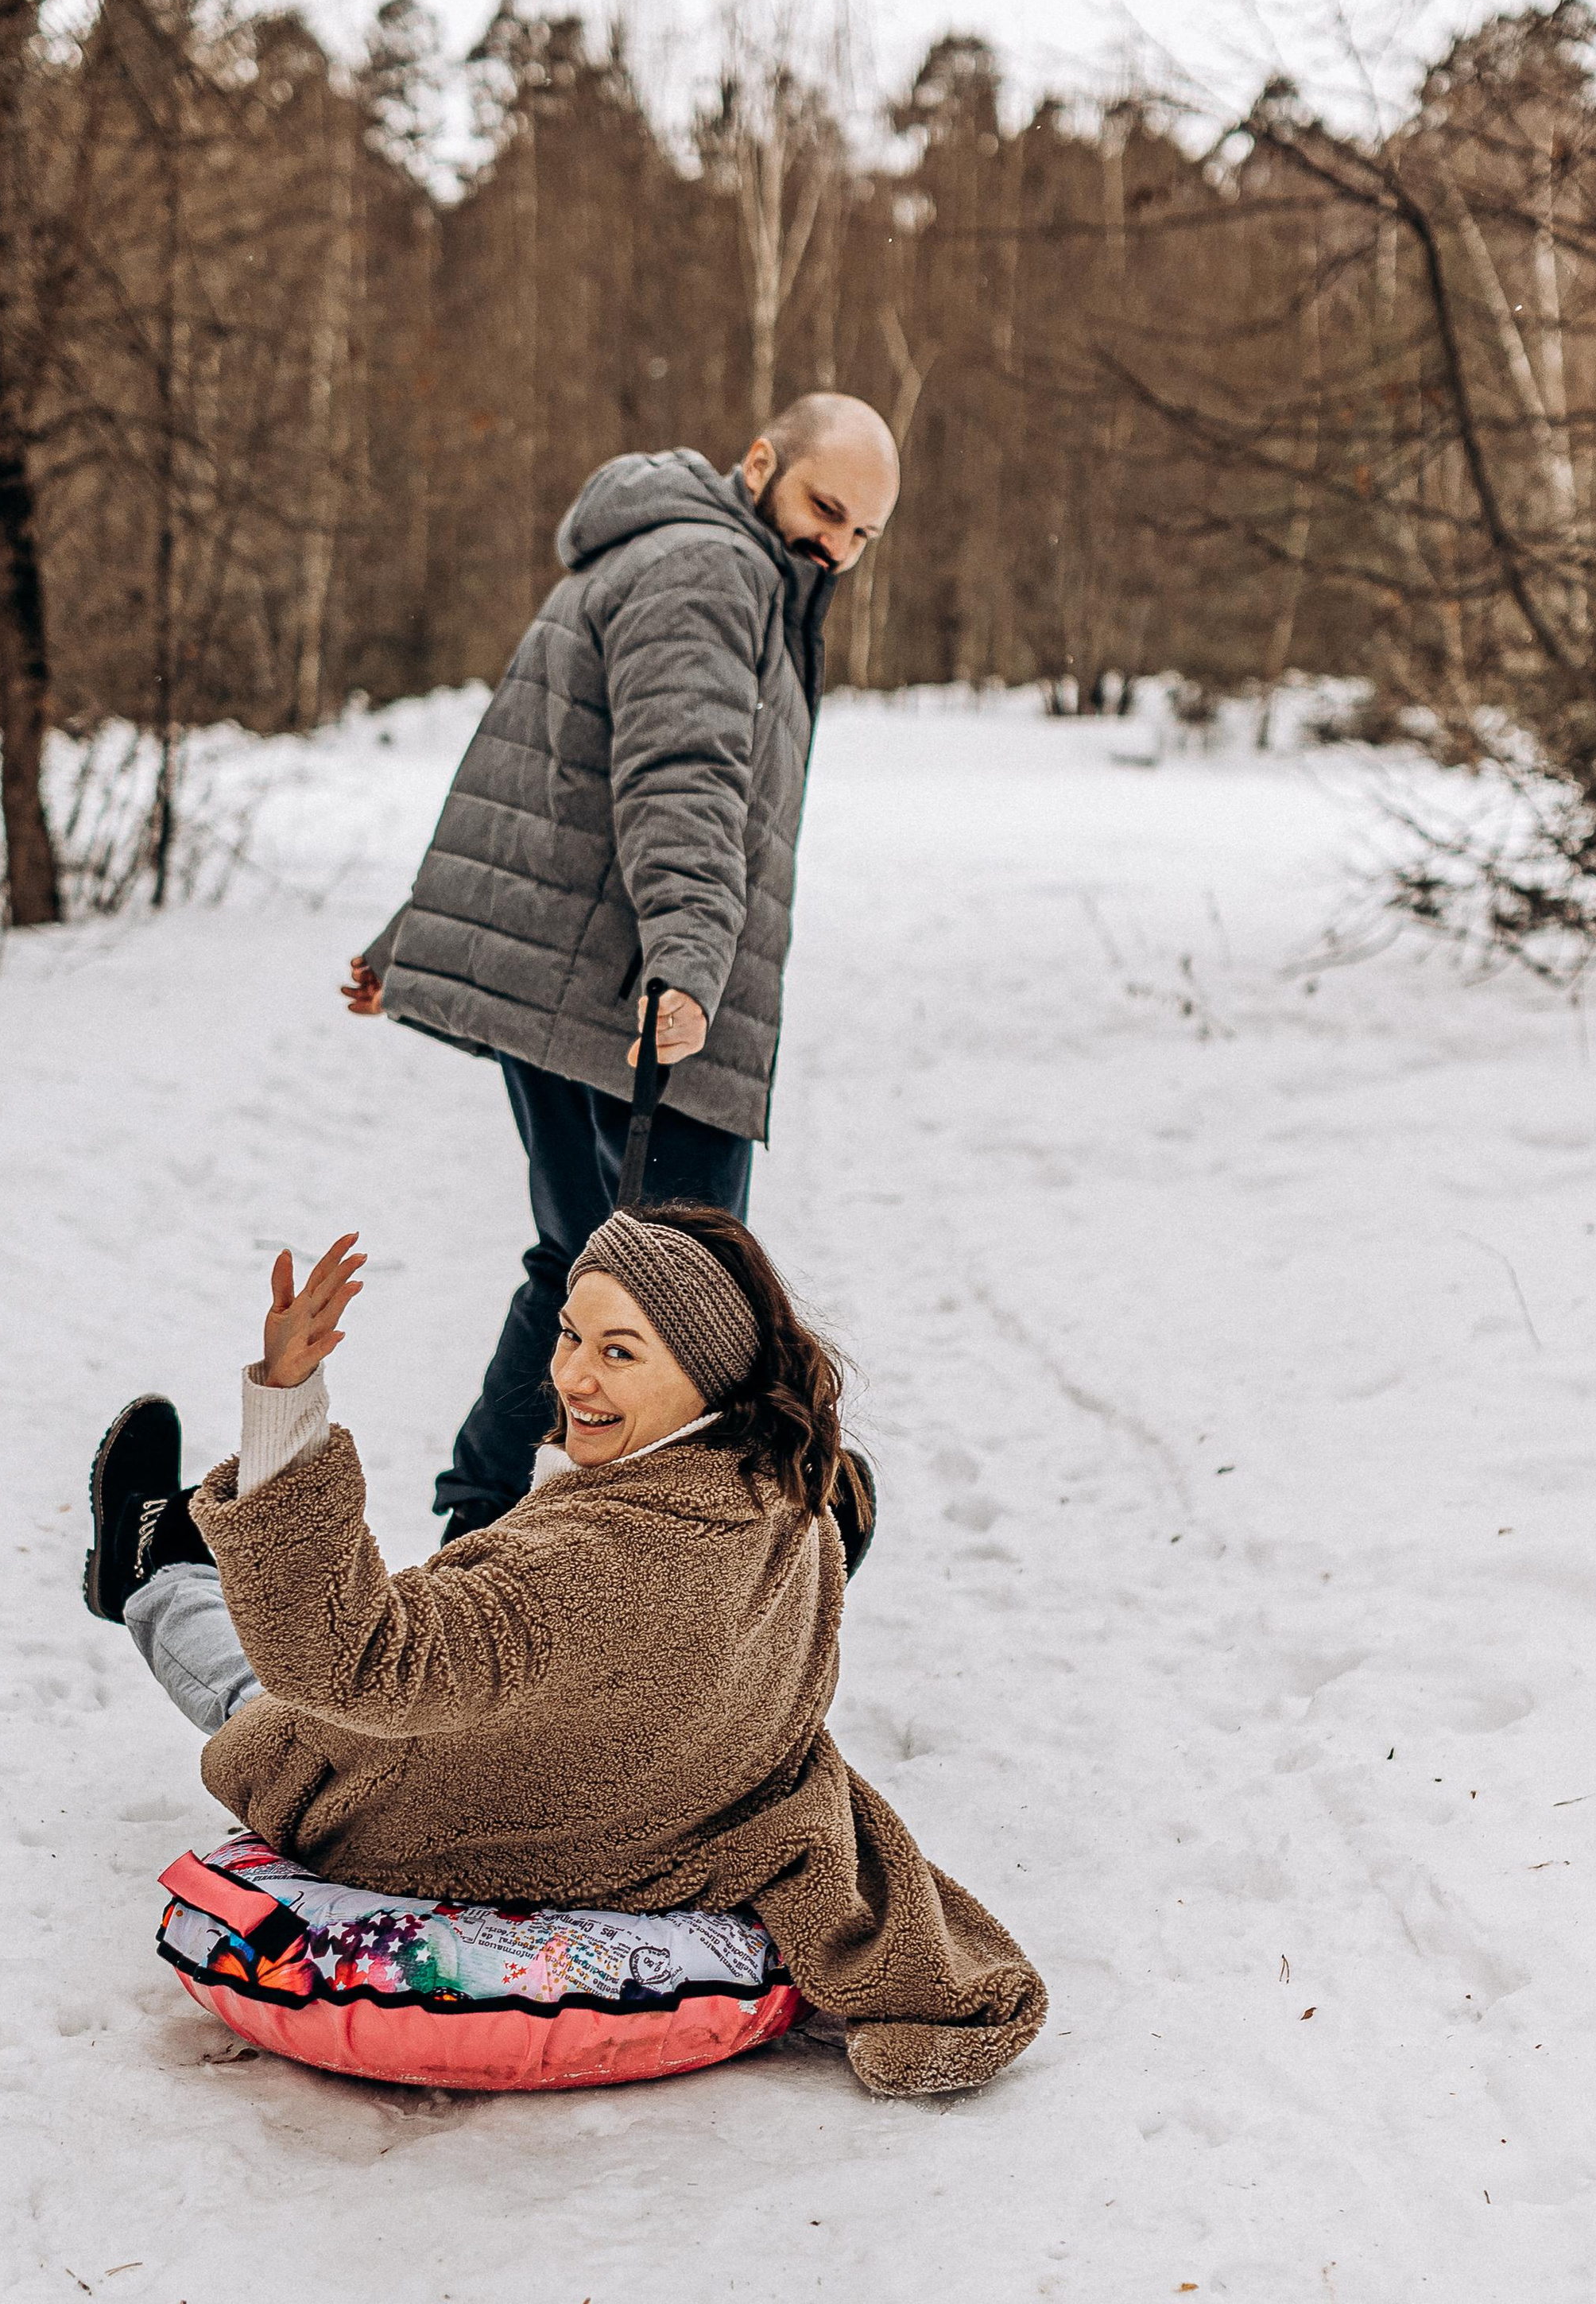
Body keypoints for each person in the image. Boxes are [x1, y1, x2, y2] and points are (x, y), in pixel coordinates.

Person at [82, 1205, 1045, 2099]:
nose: (572, 1375)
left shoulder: (583, 1569)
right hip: (646, 1801)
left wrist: (285, 1413)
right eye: (571, 1334)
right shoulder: (780, 1497)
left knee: (262, 1700)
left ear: (711, 1375)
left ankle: (148, 1571)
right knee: (366, 1643)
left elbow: (350, 1658)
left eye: (618, 1351)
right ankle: (187, 1562)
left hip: (416, 1809)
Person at [347, 394, 901, 1538]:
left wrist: (412, 937)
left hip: (585, 983)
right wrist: (691, 962)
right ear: (761, 463)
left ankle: (479, 1527)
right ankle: (692, 1571)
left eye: (864, 534)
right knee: (700, 1301)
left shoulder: (667, 549)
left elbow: (547, 771)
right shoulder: (713, 566)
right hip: (642, 995)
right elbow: (678, 773)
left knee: (578, 1266)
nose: (837, 548)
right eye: (825, 508)